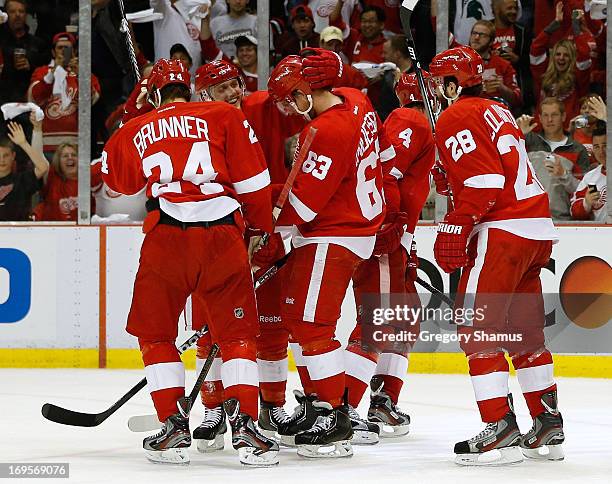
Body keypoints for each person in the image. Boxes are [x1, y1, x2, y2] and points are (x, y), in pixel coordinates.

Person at [100, 58, 278, 467]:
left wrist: (133, 112)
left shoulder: (139, 125)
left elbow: (116, 180)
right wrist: (259, 231)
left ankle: (173, 426)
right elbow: (255, 182)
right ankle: (247, 428)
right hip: (221, 235)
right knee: (237, 336)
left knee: (156, 334)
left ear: (155, 94)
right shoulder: (222, 114)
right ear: (190, 89)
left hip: (166, 238)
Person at [429, 46, 564, 466]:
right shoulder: (496, 109)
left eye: (439, 83)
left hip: (501, 232)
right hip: (534, 229)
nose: (434, 91)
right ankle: (546, 423)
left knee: (476, 329)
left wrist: (457, 221)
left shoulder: (455, 115)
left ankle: (500, 427)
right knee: (524, 334)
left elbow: (485, 182)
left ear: (454, 84)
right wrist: (452, 175)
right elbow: (492, 170)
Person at [267, 54, 386, 458]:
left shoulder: (327, 129)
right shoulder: (355, 99)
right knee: (299, 321)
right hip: (350, 227)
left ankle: (336, 416)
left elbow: (303, 203)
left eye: (288, 99)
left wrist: (269, 237)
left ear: (305, 91)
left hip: (336, 233)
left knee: (311, 324)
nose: (286, 108)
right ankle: (320, 402)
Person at [190, 58, 305, 450]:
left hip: (264, 229)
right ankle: (214, 406)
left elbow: (306, 122)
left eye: (236, 83)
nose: (234, 91)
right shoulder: (194, 125)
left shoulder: (261, 107)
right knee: (210, 326)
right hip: (214, 235)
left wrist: (271, 225)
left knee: (271, 324)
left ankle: (272, 405)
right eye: (224, 88)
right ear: (205, 94)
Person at [344, 71, 436, 440]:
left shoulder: (421, 127)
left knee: (404, 320)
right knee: (378, 321)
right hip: (384, 234)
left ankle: (382, 401)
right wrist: (387, 224)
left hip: (399, 238)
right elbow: (386, 174)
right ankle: (343, 408)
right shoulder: (410, 119)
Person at [28, 32, 101, 157]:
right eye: (60, 47)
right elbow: (34, 98)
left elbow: (91, 101)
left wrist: (80, 75)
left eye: (67, 48)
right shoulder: (41, 72)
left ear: (74, 51)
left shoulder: (84, 73)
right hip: (46, 143)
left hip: (76, 145)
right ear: (53, 52)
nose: (63, 51)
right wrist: (52, 74)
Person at [517, 97, 591, 220]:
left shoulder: (578, 150)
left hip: (563, 220)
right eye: (545, 115)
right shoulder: (528, 141)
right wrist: (519, 137)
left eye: (554, 115)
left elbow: (582, 191)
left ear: (563, 116)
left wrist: (563, 175)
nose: (549, 120)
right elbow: (510, 170)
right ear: (539, 118)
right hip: (530, 218)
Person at [530, 3, 592, 129]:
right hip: (541, 134)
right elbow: (535, 49)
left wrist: (575, 27)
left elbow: (584, 55)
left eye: (566, 55)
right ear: (553, 57)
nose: (561, 58)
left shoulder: (578, 78)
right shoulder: (542, 75)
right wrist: (555, 24)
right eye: (558, 54)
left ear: (572, 58)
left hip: (568, 134)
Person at [32, 143, 100, 221]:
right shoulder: (51, 176)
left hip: (82, 230)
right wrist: (37, 131)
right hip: (52, 230)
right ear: (58, 161)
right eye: (65, 156)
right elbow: (37, 155)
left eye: (74, 155)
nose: (70, 158)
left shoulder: (89, 177)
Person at [0, 116, 49, 220]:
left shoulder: (22, 180)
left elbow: (43, 167)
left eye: (6, 155)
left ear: (13, 156)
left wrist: (23, 143)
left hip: (20, 234)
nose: (2, 160)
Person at [0, 0, 48, 104]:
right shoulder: (1, 42)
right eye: (12, 11)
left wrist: (31, 64)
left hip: (30, 104)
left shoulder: (38, 44)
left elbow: (46, 75)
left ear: (26, 15)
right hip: (3, 102)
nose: (17, 15)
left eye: (21, 11)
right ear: (5, 15)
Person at [468, 20, 522, 109]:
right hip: (468, 111)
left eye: (483, 35)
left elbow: (518, 100)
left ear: (491, 42)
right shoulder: (459, 63)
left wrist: (502, 88)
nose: (476, 37)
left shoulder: (503, 65)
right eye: (474, 33)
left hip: (495, 113)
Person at [571, 122, 607, 221]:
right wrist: (586, 203)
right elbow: (574, 211)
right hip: (602, 233)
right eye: (596, 147)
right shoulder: (591, 178)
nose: (601, 151)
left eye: (605, 145)